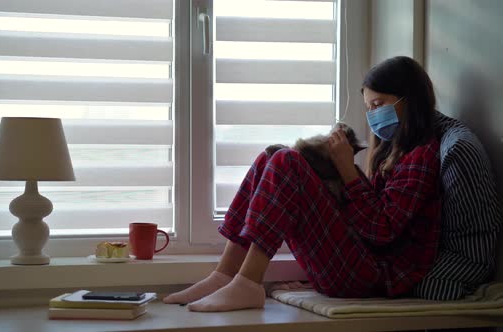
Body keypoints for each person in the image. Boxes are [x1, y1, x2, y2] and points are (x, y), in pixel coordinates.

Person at [164, 56, 442, 312]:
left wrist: (347, 169)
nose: (372, 115)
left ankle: (248, 283)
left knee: (287, 162)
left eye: (378, 105)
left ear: (409, 101)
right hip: (358, 265)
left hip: (374, 276)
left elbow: (382, 232)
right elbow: (367, 215)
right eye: (369, 108)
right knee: (272, 157)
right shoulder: (391, 153)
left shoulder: (422, 156)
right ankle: (223, 275)